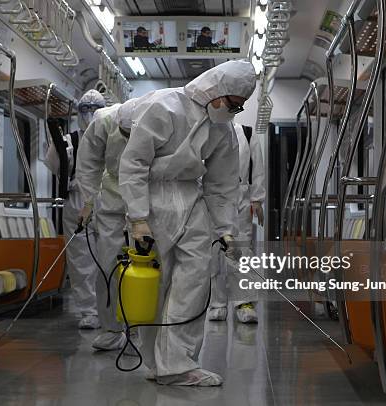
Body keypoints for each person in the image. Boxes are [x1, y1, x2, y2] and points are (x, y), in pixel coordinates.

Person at [118, 60, 256, 386]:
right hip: (152, 201)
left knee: (195, 281)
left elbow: (222, 183)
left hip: (190, 202)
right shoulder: (163, 107)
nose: (232, 112)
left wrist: (225, 229)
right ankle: (156, 364)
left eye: (239, 107)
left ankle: (179, 364)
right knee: (158, 284)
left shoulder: (222, 129)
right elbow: (134, 163)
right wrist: (138, 219)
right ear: (215, 90)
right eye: (232, 104)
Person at [75, 97, 149, 351]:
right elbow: (88, 164)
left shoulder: (157, 120)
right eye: (125, 134)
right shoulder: (102, 121)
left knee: (145, 269)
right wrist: (87, 201)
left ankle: (141, 328)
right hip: (111, 197)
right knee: (108, 265)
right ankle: (111, 329)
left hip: (146, 195)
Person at [207, 122, 265, 323]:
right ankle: (217, 303)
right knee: (213, 253)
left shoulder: (247, 133)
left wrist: (257, 199)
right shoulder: (206, 130)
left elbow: (257, 166)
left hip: (240, 198)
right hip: (211, 198)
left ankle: (244, 302)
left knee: (241, 251)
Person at [63, 89, 106, 329]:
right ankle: (89, 310)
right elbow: (56, 165)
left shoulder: (112, 136)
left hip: (104, 198)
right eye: (85, 109)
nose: (89, 114)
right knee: (81, 258)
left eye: (94, 109)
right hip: (78, 199)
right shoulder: (69, 141)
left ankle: (107, 308)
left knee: (108, 255)